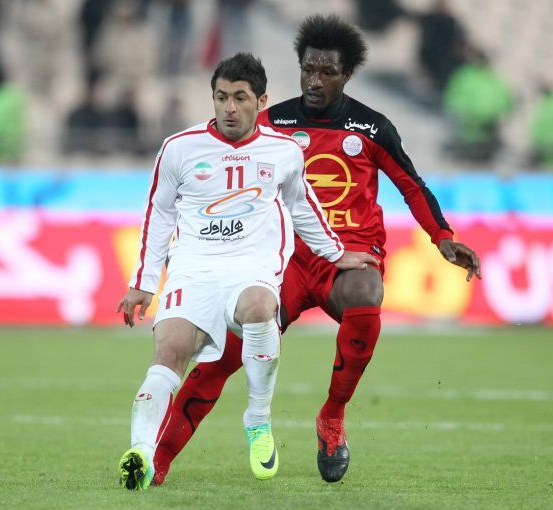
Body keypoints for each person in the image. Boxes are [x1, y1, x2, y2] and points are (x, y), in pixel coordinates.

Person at [153, 14, 482, 486]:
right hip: (283, 260)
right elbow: (219, 162)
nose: (314, 80)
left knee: (367, 292)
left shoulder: (372, 127)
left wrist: (443, 237)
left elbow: (412, 186)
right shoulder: (273, 123)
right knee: (221, 359)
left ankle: (332, 415)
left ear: (346, 75)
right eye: (308, 69)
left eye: (327, 72)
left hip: (348, 257)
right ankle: (157, 460)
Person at [116, 52, 378, 491]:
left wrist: (335, 253)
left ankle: (257, 420)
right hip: (193, 268)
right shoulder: (179, 148)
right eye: (221, 97)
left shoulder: (283, 151)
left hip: (250, 264)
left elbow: (302, 206)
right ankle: (140, 455)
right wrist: (142, 282)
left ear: (261, 101)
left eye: (240, 97)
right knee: (169, 352)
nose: (230, 108)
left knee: (259, 307)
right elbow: (158, 215)